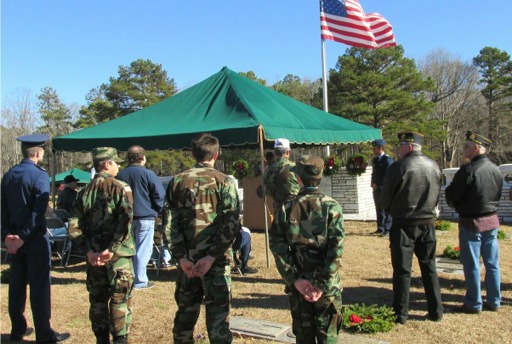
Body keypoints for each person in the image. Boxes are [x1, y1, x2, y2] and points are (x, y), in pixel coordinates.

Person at [165, 133, 240, 343]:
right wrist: (212, 256)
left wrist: (181, 258)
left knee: (185, 317)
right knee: (218, 319)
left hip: (188, 261)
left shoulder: (177, 181)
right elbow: (232, 223)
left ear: (193, 154)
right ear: (216, 154)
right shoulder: (224, 181)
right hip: (215, 262)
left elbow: (169, 224)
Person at [1, 134, 71, 343]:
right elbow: (38, 210)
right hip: (33, 239)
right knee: (39, 287)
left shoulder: (9, 175)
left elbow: (2, 209)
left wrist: (7, 236)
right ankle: (43, 332)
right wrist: (23, 236)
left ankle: (17, 329)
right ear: (39, 153)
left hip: (13, 240)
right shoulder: (39, 175)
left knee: (16, 285)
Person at [270, 155, 344, 343]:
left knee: (303, 337)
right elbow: (335, 249)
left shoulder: (287, 207)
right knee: (329, 338)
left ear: (299, 179)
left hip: (299, 285)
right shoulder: (332, 207)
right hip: (327, 287)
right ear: (321, 176)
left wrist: (295, 279)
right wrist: (321, 282)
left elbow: (277, 246)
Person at [68, 147, 134, 344]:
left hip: (94, 256)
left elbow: (73, 226)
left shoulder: (84, 192)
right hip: (118, 257)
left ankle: (101, 339)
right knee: (119, 299)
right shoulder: (121, 187)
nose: (119, 165)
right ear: (107, 164)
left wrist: (88, 251)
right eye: (116, 162)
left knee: (97, 300)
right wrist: (111, 249)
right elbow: (126, 222)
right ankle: (120, 340)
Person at [379, 132, 443, 324]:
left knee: (402, 270)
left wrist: (391, 210)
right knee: (429, 266)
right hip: (427, 223)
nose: (398, 150)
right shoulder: (434, 165)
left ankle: (401, 313)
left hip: (404, 224)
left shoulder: (398, 167)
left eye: (401, 146)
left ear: (409, 146)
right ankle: (436, 311)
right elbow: (437, 195)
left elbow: (384, 200)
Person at [445, 131, 503, 313]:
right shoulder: (496, 169)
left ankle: (474, 302)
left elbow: (452, 195)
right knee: (492, 263)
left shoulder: (468, 170)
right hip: (492, 219)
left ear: (477, 148)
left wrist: (456, 205)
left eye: (467, 146)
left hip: (472, 221)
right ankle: (494, 300)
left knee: (471, 264)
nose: (464, 150)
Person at [117, 145, 165, 290]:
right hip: (145, 216)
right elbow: (159, 195)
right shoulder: (148, 174)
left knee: (127, 249)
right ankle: (140, 280)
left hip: (126, 217)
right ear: (143, 158)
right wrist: (157, 210)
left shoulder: (120, 175)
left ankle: (128, 277)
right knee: (143, 249)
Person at [264, 138, 299, 213]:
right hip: (295, 209)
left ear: (275, 153)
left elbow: (268, 190)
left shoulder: (268, 171)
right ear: (288, 152)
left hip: (278, 209)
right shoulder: (295, 167)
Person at [370, 139, 394, 237]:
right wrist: (373, 183)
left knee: (386, 209)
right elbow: (374, 173)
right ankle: (380, 228)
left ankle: (387, 229)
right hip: (377, 188)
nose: (373, 150)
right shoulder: (375, 159)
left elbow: (389, 175)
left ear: (380, 148)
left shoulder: (387, 160)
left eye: (374, 148)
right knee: (379, 208)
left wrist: (382, 185)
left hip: (384, 188)